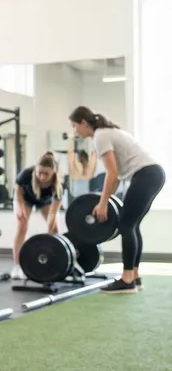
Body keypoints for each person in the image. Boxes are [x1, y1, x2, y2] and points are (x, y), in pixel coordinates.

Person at [69, 106, 165, 294]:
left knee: (126, 225)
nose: (75, 131)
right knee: (132, 225)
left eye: (74, 126)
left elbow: (112, 173)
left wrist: (103, 202)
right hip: (153, 174)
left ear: (83, 122)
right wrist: (106, 198)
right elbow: (117, 176)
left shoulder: (100, 136)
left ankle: (127, 279)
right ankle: (134, 276)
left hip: (145, 175)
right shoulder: (108, 132)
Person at [11, 152, 63, 280]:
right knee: (22, 226)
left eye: (46, 174)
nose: (42, 176)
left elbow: (53, 212)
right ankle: (17, 266)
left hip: (44, 202)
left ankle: (57, 264)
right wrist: (20, 208)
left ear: (53, 173)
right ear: (36, 169)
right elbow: (18, 191)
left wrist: (50, 229)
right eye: (40, 172)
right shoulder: (26, 174)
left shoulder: (59, 185)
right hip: (25, 199)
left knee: (54, 229)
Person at [67, 137, 97, 201]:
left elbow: (70, 154)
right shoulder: (89, 172)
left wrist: (71, 139)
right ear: (87, 159)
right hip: (86, 198)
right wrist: (93, 139)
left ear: (78, 159)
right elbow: (94, 154)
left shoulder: (74, 172)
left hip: (77, 199)